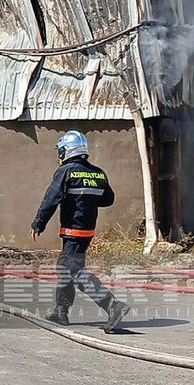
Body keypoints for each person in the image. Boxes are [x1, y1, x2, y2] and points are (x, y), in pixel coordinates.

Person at [31, 130, 130, 334]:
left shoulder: (66, 171)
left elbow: (51, 199)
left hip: (72, 230)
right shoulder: (98, 172)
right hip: (87, 231)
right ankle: (61, 311)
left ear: (67, 150)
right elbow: (108, 199)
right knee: (65, 268)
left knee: (73, 271)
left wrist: (38, 224)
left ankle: (112, 305)